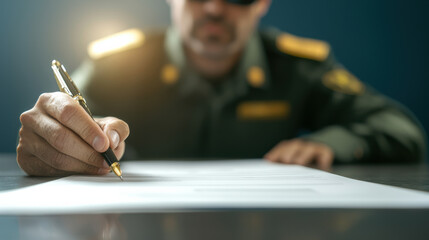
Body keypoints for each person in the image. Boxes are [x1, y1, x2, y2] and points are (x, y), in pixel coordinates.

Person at [16, 0, 426, 176]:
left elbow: (402, 130)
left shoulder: (299, 69)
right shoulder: (116, 66)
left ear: (263, 2)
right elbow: (58, 121)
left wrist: (334, 143)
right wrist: (55, 140)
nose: (214, 7)